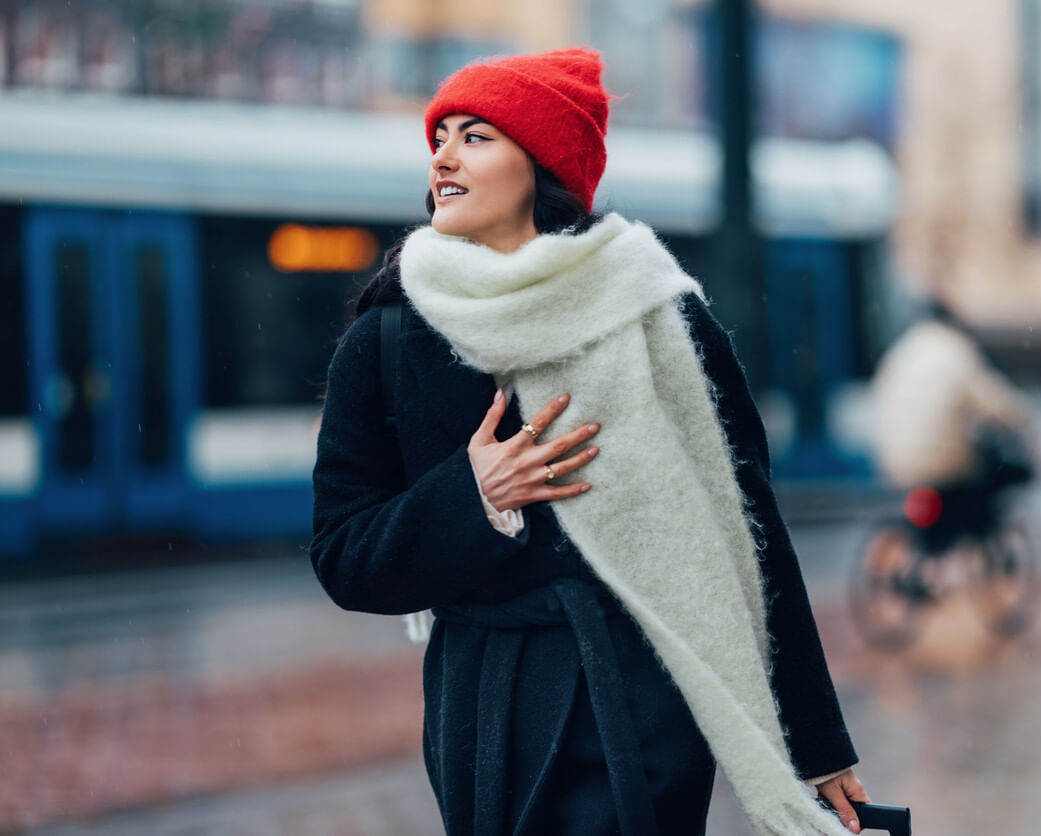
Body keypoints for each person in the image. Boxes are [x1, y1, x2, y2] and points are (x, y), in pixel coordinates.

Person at [310, 48, 867, 836]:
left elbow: (750, 539)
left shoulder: (661, 319)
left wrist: (817, 746)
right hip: (486, 712)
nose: (442, 155)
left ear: (540, 166)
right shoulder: (388, 337)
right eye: (439, 137)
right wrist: (472, 500)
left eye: (476, 136)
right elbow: (343, 557)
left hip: (638, 698)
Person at [869, 296, 1033, 542]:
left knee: (933, 519)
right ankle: (969, 539)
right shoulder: (954, 349)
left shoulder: (902, 349)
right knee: (981, 479)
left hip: (893, 460)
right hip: (940, 462)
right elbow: (991, 399)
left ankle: (931, 546)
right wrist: (1018, 416)